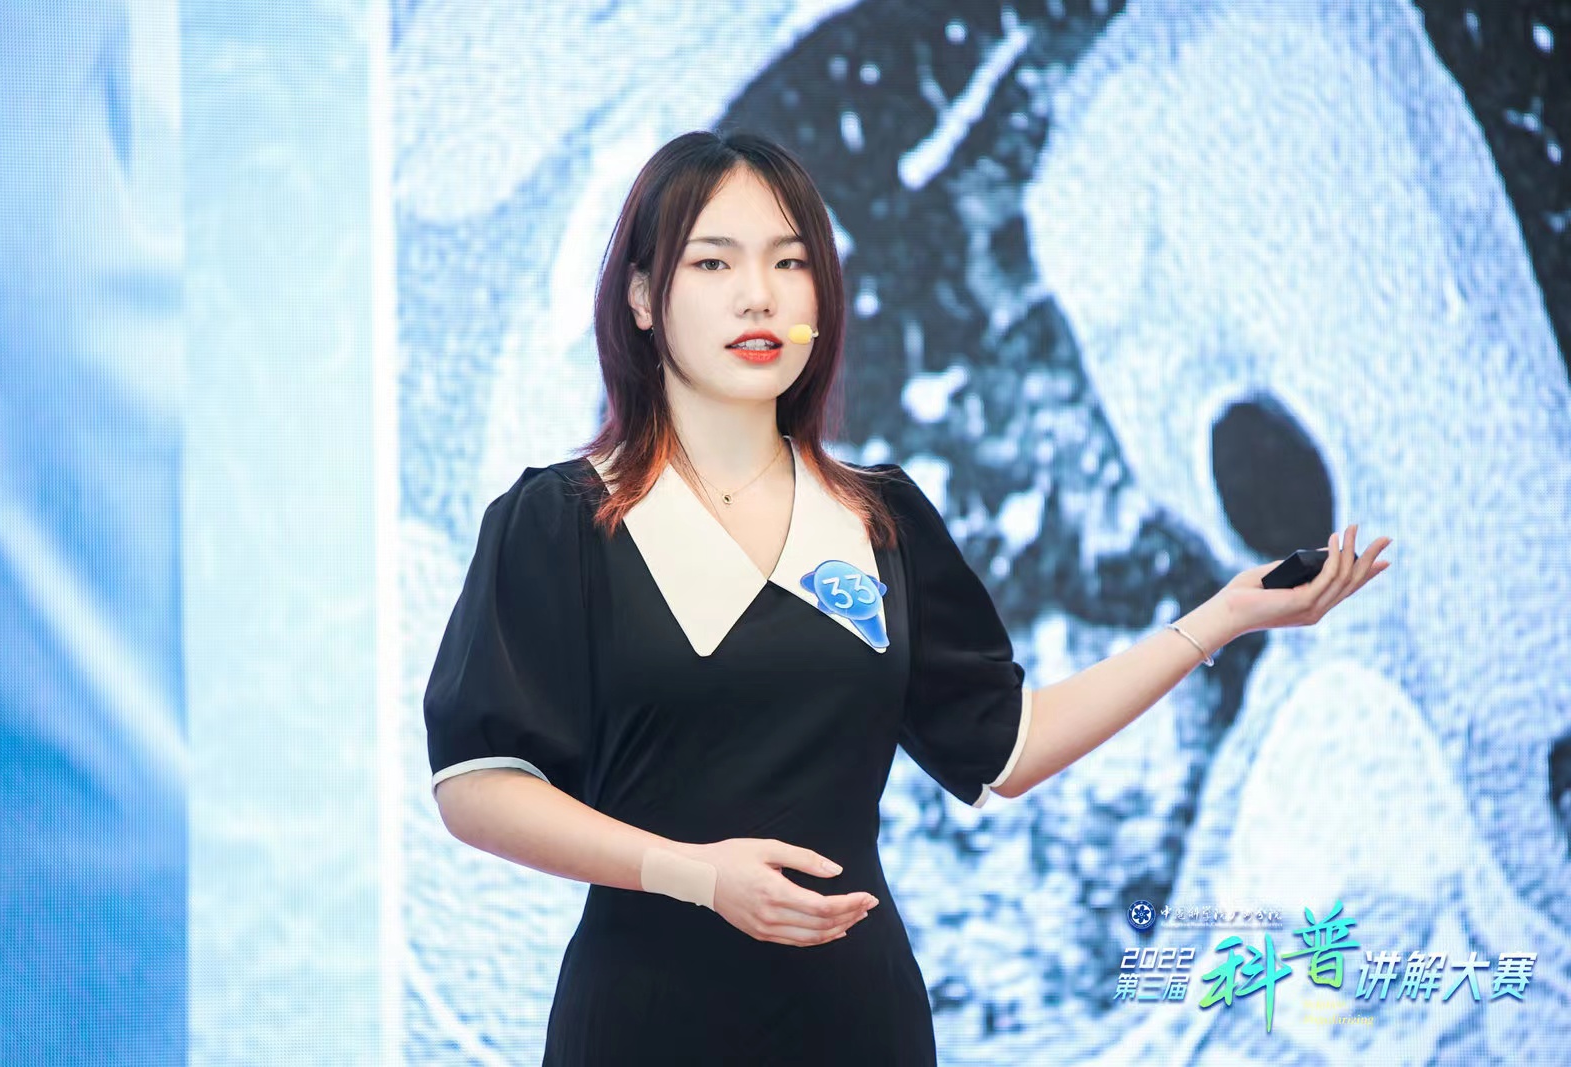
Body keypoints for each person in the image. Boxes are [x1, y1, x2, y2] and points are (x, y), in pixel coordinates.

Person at [423, 129, 1391, 1066]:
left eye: (790, 263)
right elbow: (478, 785)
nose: (759, 294)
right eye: (713, 263)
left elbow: (1009, 748)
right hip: (643, 1019)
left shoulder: (877, 518)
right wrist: (696, 876)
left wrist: (1224, 616)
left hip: (854, 1019)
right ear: (641, 296)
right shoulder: (561, 519)